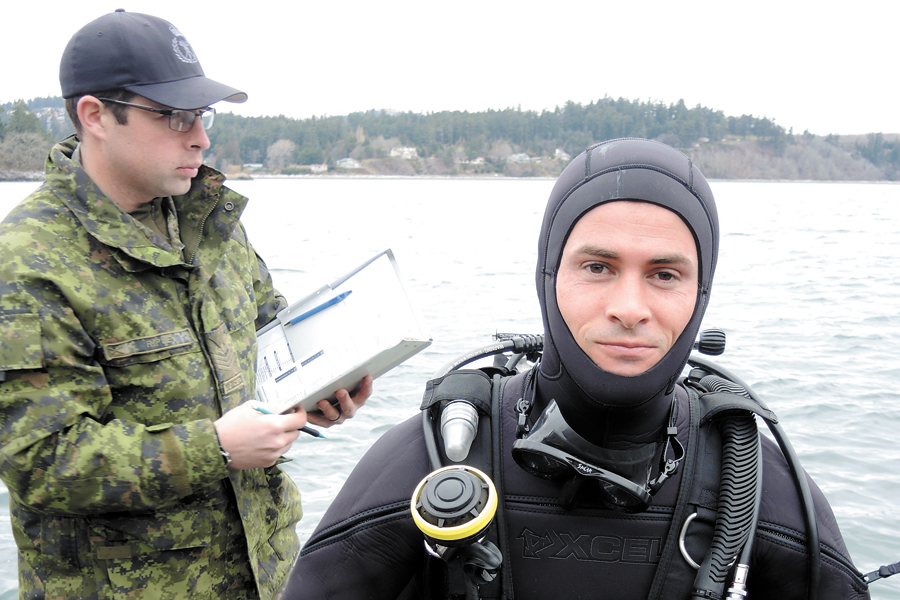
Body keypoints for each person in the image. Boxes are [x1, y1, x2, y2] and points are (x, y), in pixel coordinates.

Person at [283, 138, 871, 599]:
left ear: (701, 293)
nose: (630, 308)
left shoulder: (756, 488)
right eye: (597, 267)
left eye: (665, 274)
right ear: (549, 276)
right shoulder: (436, 461)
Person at [0, 10, 371, 600]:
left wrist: (315, 394)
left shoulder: (208, 225)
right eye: (173, 117)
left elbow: (268, 337)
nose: (199, 137)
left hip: (265, 574)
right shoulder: (28, 259)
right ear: (95, 115)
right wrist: (218, 446)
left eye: (201, 116)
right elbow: (43, 462)